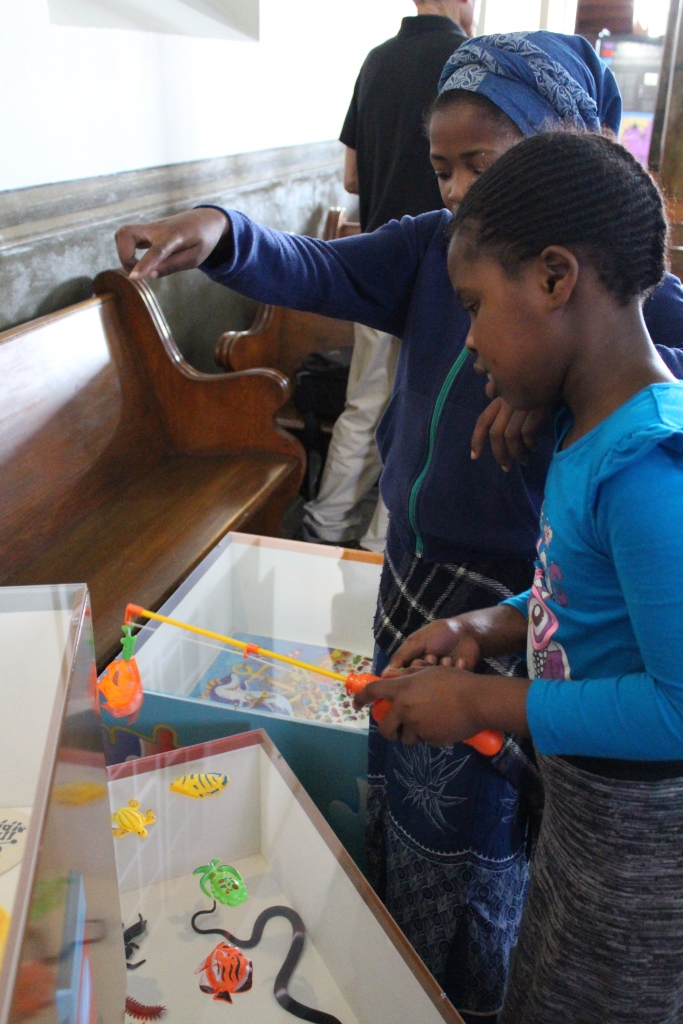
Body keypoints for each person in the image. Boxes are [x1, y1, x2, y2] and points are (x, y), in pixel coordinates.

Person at [114, 33, 683, 1021]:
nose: (456, 189)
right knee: (469, 872)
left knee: (518, 883)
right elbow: (312, 266)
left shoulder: (634, 454)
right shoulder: (439, 250)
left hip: (612, 800)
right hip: (494, 615)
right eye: (441, 167)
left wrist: (548, 406)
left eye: (482, 164)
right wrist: (221, 229)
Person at [355, 129, 683, 1024]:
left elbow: (676, 707)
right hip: (585, 823)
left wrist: (480, 705)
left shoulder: (648, 469)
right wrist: (483, 628)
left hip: (641, 861)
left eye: (471, 305)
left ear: (553, 278)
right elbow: (584, 594)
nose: (466, 341)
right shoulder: (589, 428)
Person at [302, 0, 474, 552]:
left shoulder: (375, 62)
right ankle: (382, 547)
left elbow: (351, 178)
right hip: (447, 273)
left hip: (377, 264)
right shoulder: (470, 62)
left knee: (364, 403)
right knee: (422, 413)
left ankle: (325, 528)